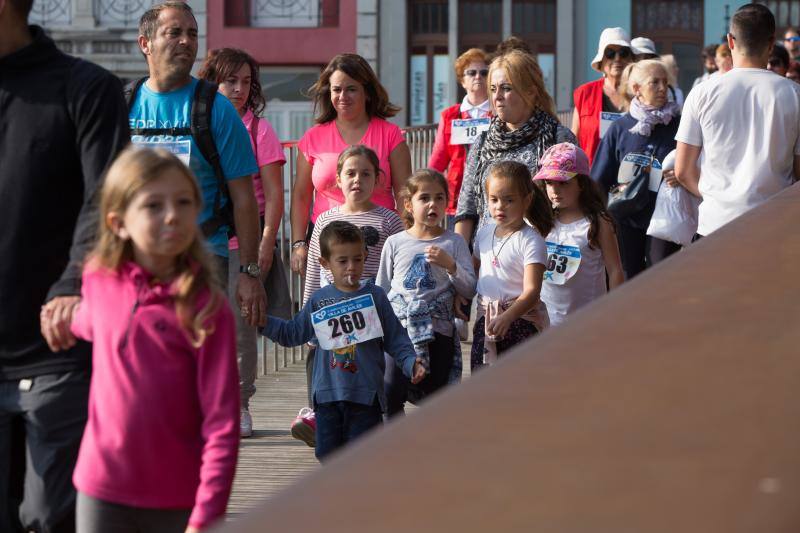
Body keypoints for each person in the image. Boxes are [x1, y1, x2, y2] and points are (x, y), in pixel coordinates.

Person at [0, 0, 129, 530]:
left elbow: (106, 200)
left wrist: (74, 283)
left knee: (47, 516)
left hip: (53, 349)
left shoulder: (87, 89)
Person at [69, 147, 239, 533]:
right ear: (118, 222)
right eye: (153, 205)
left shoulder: (207, 308)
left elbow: (222, 424)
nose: (172, 215)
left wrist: (207, 513)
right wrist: (64, 320)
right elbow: (92, 322)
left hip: (178, 500)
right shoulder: (98, 279)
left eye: (183, 202)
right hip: (100, 489)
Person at [128, 2, 266, 327]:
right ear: (145, 43)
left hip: (202, 260)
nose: (187, 41)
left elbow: (245, 199)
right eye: (174, 33)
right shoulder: (124, 104)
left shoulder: (215, 109)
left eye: (192, 33)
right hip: (135, 261)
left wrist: (249, 273)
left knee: (198, 365)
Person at [262, 221, 425, 461]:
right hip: (327, 397)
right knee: (327, 456)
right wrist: (261, 322)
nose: (352, 267)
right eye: (343, 261)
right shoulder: (319, 300)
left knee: (362, 459)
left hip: (366, 396)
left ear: (365, 256)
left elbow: (396, 337)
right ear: (325, 264)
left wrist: (411, 361)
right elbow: (293, 333)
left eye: (358, 259)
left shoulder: (376, 297)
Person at [198, 47, 290, 438]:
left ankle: (241, 403)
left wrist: (267, 244)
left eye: (246, 82)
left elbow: (272, 196)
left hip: (241, 244)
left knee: (239, 328)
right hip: (200, 242)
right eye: (230, 80)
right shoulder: (198, 123)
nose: (238, 89)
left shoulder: (258, 130)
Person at [291, 146, 404, 446]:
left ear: (378, 179)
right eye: (350, 174)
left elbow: (396, 270)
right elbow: (315, 273)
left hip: (371, 312)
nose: (357, 180)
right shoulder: (325, 222)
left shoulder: (389, 221)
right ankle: (319, 415)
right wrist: (307, 318)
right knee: (322, 362)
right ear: (337, 180)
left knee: (368, 368)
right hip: (330, 311)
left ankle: (379, 418)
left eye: (365, 174)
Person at [675, 4, 800, 238]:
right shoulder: (794, 95)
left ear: (731, 41)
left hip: (715, 226)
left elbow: (682, 171)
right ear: (772, 43)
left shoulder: (703, 92)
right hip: (774, 227)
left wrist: (718, 198)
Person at [290, 53, 411, 277]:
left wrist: (405, 243)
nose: (343, 96)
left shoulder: (391, 134)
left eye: (351, 89)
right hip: (327, 244)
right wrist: (298, 244)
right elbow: (301, 196)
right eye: (337, 89)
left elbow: (405, 195)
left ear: (366, 92)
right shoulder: (312, 137)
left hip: (379, 243)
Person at [377, 170, 476, 416]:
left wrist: (450, 265)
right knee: (391, 391)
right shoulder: (395, 242)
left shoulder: (454, 242)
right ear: (409, 204)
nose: (433, 204)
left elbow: (469, 287)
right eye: (424, 198)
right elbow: (383, 288)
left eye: (440, 198)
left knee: (436, 398)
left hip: (438, 331)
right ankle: (394, 445)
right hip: (399, 332)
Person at [455, 49, 576, 245]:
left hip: (539, 253)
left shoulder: (558, 137)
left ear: (530, 91)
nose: (498, 97)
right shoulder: (483, 142)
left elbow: (573, 203)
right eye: (493, 89)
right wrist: (460, 258)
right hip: (487, 255)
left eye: (506, 88)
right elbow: (466, 208)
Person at [591, 59, 682, 278]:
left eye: (665, 83)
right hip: (625, 218)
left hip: (664, 218)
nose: (662, 88)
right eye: (654, 82)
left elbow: (695, 164)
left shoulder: (678, 124)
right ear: (636, 89)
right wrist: (599, 220)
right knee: (629, 275)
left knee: (661, 275)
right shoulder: (620, 128)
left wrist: (681, 175)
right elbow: (598, 179)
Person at [471, 161, 551, 371]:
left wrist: (508, 316)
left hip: (520, 322)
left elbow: (532, 291)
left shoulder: (531, 240)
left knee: (518, 385)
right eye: (494, 199)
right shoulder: (483, 233)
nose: (500, 206)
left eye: (509, 200)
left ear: (527, 200)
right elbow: (474, 272)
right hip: (485, 321)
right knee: (483, 384)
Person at [533, 143, 624, 327]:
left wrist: (613, 310)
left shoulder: (597, 223)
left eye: (563, 183)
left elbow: (615, 270)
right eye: (549, 183)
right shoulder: (541, 222)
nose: (555, 190)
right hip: (544, 323)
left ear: (581, 183)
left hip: (587, 323)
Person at [428, 48, 492, 224]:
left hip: (492, 197)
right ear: (462, 81)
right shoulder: (450, 115)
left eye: (483, 72)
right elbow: (438, 160)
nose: (478, 77)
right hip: (457, 198)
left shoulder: (499, 113)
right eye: (471, 72)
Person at [571, 27, 634, 165]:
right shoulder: (585, 93)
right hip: (592, 177)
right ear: (601, 59)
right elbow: (574, 141)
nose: (617, 58)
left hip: (630, 178)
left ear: (631, 58)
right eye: (610, 53)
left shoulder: (639, 93)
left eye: (623, 52)